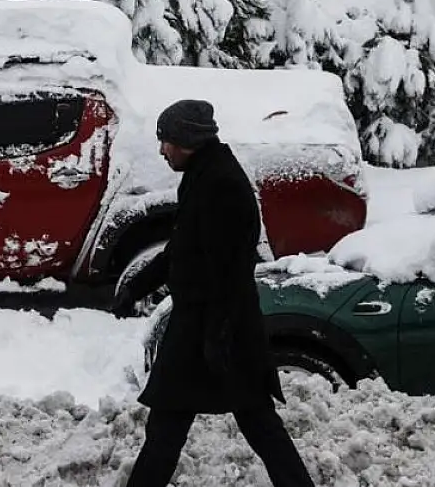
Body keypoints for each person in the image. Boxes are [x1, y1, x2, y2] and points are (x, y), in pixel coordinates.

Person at [112, 99, 316, 487]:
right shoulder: (203, 175)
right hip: (206, 326)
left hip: (218, 328)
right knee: (183, 425)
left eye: (166, 141)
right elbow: (182, 249)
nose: (161, 150)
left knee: (244, 423)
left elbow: (231, 271)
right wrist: (136, 287)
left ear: (187, 139)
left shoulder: (221, 184)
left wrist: (218, 333)